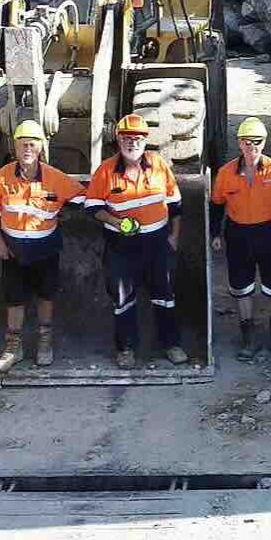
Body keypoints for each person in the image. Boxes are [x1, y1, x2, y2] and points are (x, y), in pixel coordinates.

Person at [84, 113, 188, 368]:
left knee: (165, 296)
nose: (132, 143)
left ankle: (171, 345)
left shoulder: (159, 166)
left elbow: (175, 205)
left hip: (158, 245)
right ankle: (126, 349)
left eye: (137, 138)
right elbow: (92, 207)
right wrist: (115, 222)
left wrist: (174, 237)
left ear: (145, 141)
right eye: (127, 138)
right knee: (123, 300)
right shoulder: (106, 171)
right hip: (121, 248)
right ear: (118, 140)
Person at [0, 119, 88, 372]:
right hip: (12, 252)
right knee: (14, 299)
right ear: (14, 148)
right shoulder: (3, 177)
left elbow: (83, 197)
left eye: (32, 144)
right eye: (22, 145)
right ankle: (13, 347)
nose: (27, 149)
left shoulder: (55, 178)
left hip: (46, 250)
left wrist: (64, 212)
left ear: (40, 148)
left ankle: (44, 342)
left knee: (46, 295)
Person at [210, 117, 271, 362]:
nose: (252, 147)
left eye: (257, 142)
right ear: (239, 143)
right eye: (247, 142)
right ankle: (248, 338)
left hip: (270, 234)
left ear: (264, 143)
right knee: (242, 287)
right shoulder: (225, 173)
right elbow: (216, 206)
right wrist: (215, 233)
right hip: (238, 234)